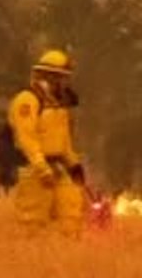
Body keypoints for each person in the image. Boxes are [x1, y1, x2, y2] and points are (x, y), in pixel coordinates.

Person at [7, 49, 86, 236]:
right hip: (34, 170)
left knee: (72, 217)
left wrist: (74, 165)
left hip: (58, 167)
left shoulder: (58, 104)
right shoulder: (27, 100)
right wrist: (41, 167)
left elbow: (63, 139)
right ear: (51, 77)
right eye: (63, 78)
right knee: (32, 224)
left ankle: (67, 260)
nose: (66, 84)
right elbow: (27, 137)